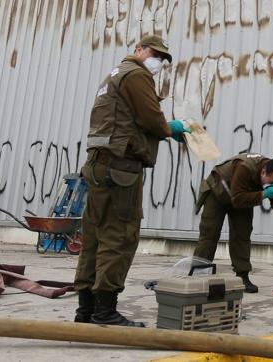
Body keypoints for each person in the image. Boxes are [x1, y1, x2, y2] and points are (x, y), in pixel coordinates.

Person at [73, 34, 190, 327]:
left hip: (99, 164)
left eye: (163, 59)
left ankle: (86, 308)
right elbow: (151, 118)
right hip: (120, 168)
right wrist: (169, 127)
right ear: (138, 50)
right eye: (155, 54)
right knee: (120, 235)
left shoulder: (113, 75)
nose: (158, 62)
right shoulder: (136, 74)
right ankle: (105, 310)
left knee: (95, 237)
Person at [192, 152, 273, 293]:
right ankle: (198, 273)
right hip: (218, 192)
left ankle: (242, 276)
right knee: (209, 233)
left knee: (242, 235)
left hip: (245, 195)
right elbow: (237, 198)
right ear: (263, 172)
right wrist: (264, 194)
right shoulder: (245, 167)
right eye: (271, 182)